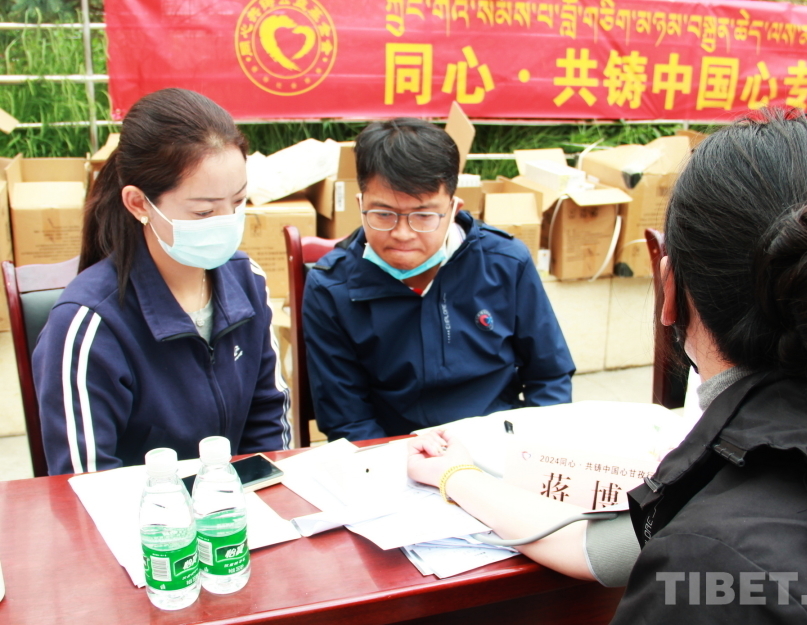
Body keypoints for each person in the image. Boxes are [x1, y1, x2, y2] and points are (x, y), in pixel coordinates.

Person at [409, 109, 807, 621]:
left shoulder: (702, 564)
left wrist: (455, 472)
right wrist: (457, 474)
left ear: (670, 290)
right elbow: (601, 548)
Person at [33, 88, 291, 476]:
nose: (227, 222)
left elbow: (268, 421)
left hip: (235, 503)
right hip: (139, 511)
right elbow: (85, 481)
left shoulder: (247, 281)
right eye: (204, 212)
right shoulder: (88, 324)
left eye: (238, 202)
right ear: (139, 204)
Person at [303, 118, 574, 441]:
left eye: (424, 215)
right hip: (395, 451)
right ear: (361, 204)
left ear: (454, 207)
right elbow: (348, 420)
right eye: (383, 214)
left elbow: (550, 376)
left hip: (498, 444)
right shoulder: (331, 288)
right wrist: (397, 459)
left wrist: (532, 448)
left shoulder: (505, 262)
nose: (403, 234)